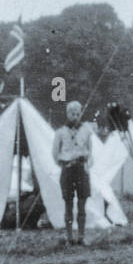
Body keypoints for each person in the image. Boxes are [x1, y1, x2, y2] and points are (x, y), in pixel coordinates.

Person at [52, 100, 94, 246]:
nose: (75, 116)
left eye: (78, 113)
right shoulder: (60, 132)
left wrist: (86, 159)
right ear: (67, 114)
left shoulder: (87, 131)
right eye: (72, 113)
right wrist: (65, 162)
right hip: (68, 170)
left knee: (82, 203)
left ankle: (81, 236)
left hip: (81, 169)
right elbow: (55, 153)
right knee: (68, 204)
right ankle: (70, 236)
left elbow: (90, 150)